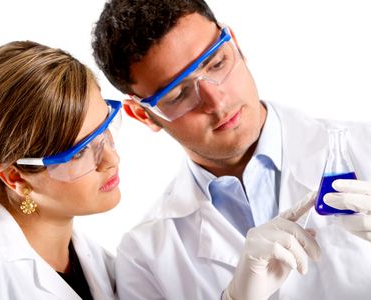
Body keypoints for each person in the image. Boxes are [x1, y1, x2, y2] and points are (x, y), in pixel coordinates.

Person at [92, 0, 371, 299]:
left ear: (235, 44)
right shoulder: (144, 257)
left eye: (217, 63)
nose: (216, 100)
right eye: (178, 93)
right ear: (143, 115)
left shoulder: (363, 146)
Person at [0, 40, 122, 299]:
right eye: (80, 152)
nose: (111, 159)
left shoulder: (104, 266)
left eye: (105, 130)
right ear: (14, 177)